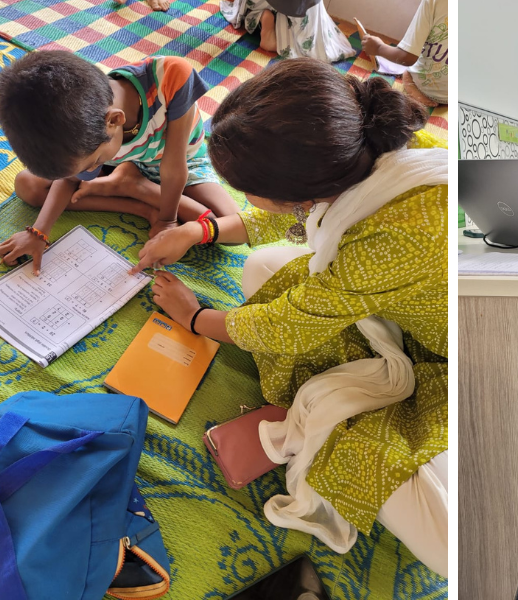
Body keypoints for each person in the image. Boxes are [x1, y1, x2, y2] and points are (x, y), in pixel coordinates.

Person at [132, 58, 449, 576]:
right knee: (262, 266)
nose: (242, 195)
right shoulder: (365, 148)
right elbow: (291, 218)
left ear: (302, 187)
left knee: (447, 545)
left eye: (247, 186)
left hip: (444, 358)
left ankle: (328, 418)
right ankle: (320, 405)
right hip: (392, 304)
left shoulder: (393, 236)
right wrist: (199, 232)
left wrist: (196, 317)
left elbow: (286, 323)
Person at [0, 52, 238, 274]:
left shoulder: (172, 76)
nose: (88, 173)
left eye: (93, 163)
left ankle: (135, 186)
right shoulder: (85, 128)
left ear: (115, 120)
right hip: (124, 160)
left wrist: (166, 220)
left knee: (232, 229)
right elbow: (72, 176)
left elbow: (173, 168)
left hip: (179, 161)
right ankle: (135, 195)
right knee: (27, 185)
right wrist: (39, 231)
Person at [362, 0, 448, 107]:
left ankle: (420, 94)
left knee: (407, 73)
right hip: (463, 93)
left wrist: (379, 48)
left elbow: (407, 58)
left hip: (433, 90)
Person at [219, 0, 356, 62]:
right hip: (303, 11)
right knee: (307, 28)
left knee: (240, 7)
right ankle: (277, 35)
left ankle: (260, 17)